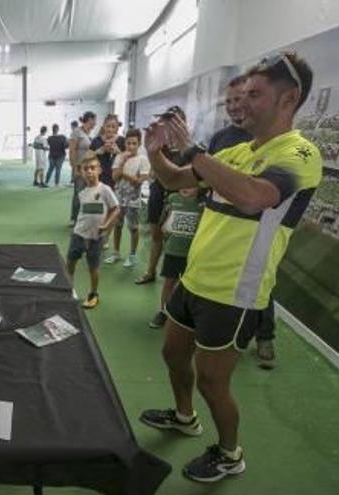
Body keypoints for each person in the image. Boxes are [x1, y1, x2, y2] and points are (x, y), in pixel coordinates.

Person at [139, 50, 320, 483]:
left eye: (255, 94)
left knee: (212, 383)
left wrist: (195, 151)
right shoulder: (237, 151)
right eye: (241, 94)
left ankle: (229, 452)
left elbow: (254, 197)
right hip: (196, 278)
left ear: (288, 99)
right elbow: (176, 181)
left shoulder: (300, 153)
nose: (243, 102)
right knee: (171, 354)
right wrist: (154, 153)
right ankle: (184, 417)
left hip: (235, 292)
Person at [208, 76, 279, 370]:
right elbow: (207, 178)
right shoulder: (220, 139)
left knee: (258, 283)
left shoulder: (269, 142)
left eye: (242, 99)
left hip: (255, 231)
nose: (235, 106)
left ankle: (265, 335)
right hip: (221, 227)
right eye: (230, 101)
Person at [135, 106, 188, 285]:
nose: (171, 126)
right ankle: (150, 271)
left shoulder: (188, 148)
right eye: (168, 122)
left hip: (180, 200)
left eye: (176, 121)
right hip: (159, 193)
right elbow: (153, 173)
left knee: (177, 242)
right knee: (156, 235)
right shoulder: (160, 146)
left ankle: (176, 279)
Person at [66, 151, 120, 309]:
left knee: (93, 267)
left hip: (95, 237)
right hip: (78, 234)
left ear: (99, 170)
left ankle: (93, 293)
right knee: (70, 263)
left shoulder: (105, 190)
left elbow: (116, 208)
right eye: (86, 168)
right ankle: (68, 289)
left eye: (92, 168)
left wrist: (106, 225)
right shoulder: (81, 192)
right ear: (81, 172)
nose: (89, 171)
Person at [148, 187, 201, 329]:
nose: (186, 187)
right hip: (173, 250)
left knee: (188, 286)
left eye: (191, 184)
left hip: (192, 254)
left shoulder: (202, 204)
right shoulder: (173, 199)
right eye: (183, 184)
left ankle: (185, 315)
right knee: (169, 282)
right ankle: (163, 311)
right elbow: (164, 220)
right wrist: (163, 226)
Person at [107, 129, 150, 268]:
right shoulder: (120, 157)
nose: (130, 146)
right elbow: (114, 177)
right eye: (128, 143)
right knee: (117, 226)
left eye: (134, 143)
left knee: (133, 228)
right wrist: (123, 161)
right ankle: (116, 253)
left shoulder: (143, 160)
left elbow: (139, 180)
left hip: (133, 200)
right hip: (119, 198)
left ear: (139, 144)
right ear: (124, 143)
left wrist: (124, 175)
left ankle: (132, 255)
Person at [69, 111, 97, 225]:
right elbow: (72, 151)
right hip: (79, 169)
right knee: (78, 194)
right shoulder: (77, 132)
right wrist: (75, 168)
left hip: (89, 169)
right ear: (89, 120)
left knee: (88, 194)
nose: (95, 123)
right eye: (94, 120)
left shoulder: (89, 134)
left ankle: (85, 218)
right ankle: (75, 219)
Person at [90, 114, 125, 188]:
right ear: (104, 126)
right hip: (99, 178)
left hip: (117, 180)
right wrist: (98, 151)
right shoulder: (96, 141)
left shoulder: (122, 141)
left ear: (117, 128)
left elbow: (131, 160)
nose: (110, 129)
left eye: (113, 127)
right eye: (108, 126)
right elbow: (86, 158)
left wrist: (118, 152)